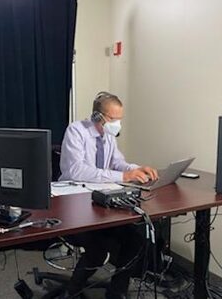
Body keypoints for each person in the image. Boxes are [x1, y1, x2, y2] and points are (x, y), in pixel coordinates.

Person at [58, 91, 158, 299]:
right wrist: (124, 174)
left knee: (136, 239)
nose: (117, 125)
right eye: (113, 119)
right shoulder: (76, 131)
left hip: (101, 202)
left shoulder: (108, 136)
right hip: (74, 204)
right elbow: (77, 171)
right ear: (97, 116)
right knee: (98, 248)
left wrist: (138, 169)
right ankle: (73, 292)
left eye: (119, 119)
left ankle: (117, 292)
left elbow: (117, 162)